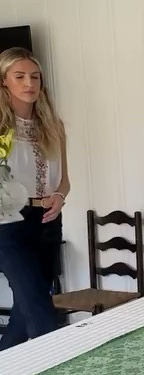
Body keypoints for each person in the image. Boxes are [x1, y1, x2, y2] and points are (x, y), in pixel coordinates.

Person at [0, 47, 69, 350]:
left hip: (48, 222)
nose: (29, 83)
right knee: (40, 312)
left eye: (35, 77)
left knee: (24, 312)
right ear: (4, 81)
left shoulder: (54, 126)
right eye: (20, 76)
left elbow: (64, 180)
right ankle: (59, 368)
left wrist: (59, 196)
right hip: (9, 224)